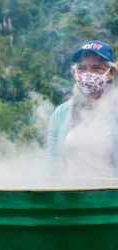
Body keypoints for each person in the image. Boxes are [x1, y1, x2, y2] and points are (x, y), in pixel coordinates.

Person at [47, 40, 118, 177]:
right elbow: (52, 164)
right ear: (74, 72)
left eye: (96, 68)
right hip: (71, 196)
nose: (88, 73)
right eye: (81, 68)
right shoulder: (61, 114)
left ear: (111, 72)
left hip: (110, 196)